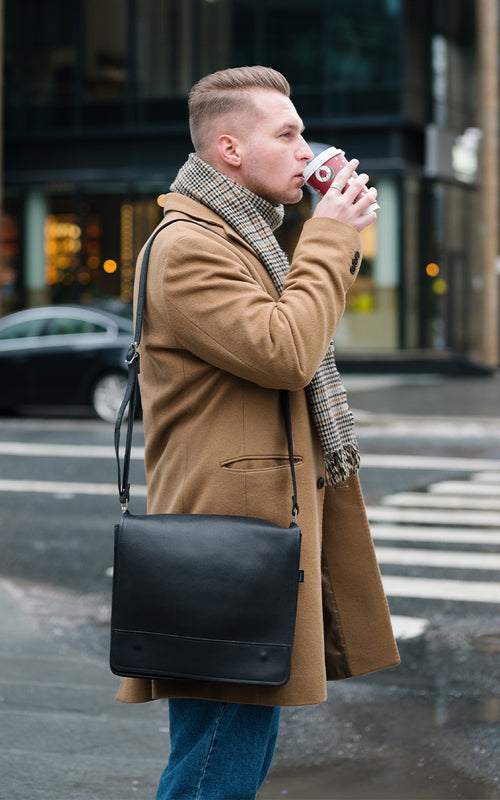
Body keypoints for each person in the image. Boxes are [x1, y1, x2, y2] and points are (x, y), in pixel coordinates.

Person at [118, 66, 400, 800]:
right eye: (288, 133)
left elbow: (293, 324)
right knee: (216, 761)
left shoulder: (248, 239)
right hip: (228, 548)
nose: (306, 148)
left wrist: (327, 232)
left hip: (256, 536)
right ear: (231, 148)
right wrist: (330, 237)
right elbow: (284, 351)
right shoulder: (189, 245)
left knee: (232, 750)